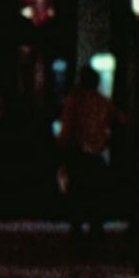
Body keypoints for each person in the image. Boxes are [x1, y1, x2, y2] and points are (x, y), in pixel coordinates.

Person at [57, 67, 123, 245]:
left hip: (79, 153)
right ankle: (95, 229)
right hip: (93, 153)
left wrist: (62, 152)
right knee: (95, 195)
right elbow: (120, 120)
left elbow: (65, 131)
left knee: (79, 195)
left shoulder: (74, 101)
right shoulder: (102, 102)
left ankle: (80, 231)